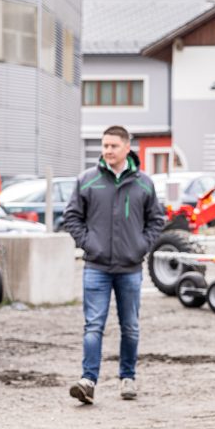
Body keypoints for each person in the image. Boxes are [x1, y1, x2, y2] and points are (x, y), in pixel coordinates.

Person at [63, 126, 165, 404]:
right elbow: (72, 217)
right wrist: (89, 244)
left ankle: (127, 378)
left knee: (130, 326)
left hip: (130, 268)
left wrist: (140, 246)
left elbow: (157, 220)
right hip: (96, 267)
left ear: (127, 148)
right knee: (93, 326)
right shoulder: (87, 180)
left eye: (113, 146)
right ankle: (88, 381)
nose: (108, 151)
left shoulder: (144, 183)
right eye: (105, 146)